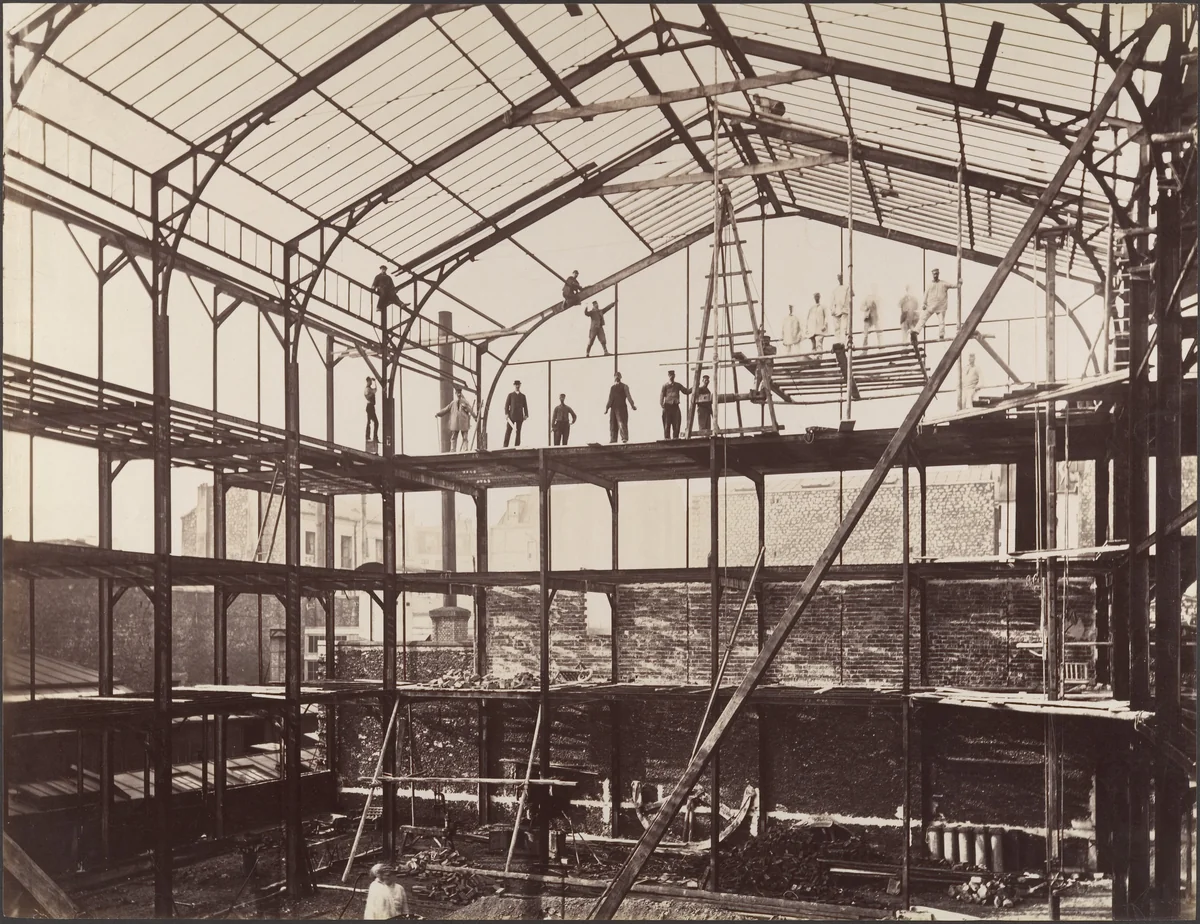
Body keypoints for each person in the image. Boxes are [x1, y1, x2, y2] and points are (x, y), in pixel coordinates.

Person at [919, 268, 959, 340]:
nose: (935, 275)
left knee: (941, 321)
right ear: (932, 274)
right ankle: (916, 331)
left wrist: (959, 283)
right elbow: (926, 294)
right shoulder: (929, 284)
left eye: (936, 274)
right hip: (931, 306)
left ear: (938, 274)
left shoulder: (943, 283)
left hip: (941, 307)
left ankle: (941, 334)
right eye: (934, 274)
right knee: (923, 318)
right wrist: (924, 304)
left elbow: (954, 285)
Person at [434, 385, 476, 452]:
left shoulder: (465, 402)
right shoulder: (453, 403)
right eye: (457, 393)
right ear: (456, 393)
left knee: (465, 437)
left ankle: (465, 450)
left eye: (460, 393)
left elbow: (470, 410)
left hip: (463, 422)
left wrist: (475, 417)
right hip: (455, 423)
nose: (459, 394)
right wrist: (438, 414)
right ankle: (453, 450)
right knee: (453, 437)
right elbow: (446, 409)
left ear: (461, 393)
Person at [604, 372, 637, 444]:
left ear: (620, 377)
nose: (617, 377)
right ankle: (613, 439)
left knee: (621, 423)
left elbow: (628, 396)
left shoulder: (624, 386)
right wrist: (607, 408)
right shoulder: (612, 388)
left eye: (618, 376)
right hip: (613, 408)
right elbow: (610, 399)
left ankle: (624, 438)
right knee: (613, 424)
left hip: (621, 408)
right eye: (616, 376)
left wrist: (632, 405)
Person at [659, 370, 690, 439]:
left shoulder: (678, 385)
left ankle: (675, 438)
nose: (671, 376)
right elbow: (662, 395)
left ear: (674, 376)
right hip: (667, 407)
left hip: (675, 407)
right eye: (670, 375)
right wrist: (661, 403)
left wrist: (694, 387)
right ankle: (667, 439)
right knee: (667, 424)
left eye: (673, 375)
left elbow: (686, 391)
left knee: (677, 423)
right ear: (668, 376)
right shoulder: (665, 386)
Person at [503, 380, 528, 448]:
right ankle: (505, 446)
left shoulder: (523, 396)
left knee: (518, 432)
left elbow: (525, 406)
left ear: (520, 385)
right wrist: (506, 414)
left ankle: (517, 446)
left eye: (518, 385)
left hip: (520, 416)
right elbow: (506, 405)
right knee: (508, 431)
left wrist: (526, 415)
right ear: (514, 385)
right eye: (516, 385)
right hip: (511, 416)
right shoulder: (510, 395)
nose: (517, 386)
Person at [754, 330, 776, 399]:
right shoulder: (760, 347)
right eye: (764, 340)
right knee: (757, 377)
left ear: (769, 341)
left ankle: (763, 390)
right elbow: (760, 352)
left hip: (768, 364)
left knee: (766, 378)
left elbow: (772, 352)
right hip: (760, 364)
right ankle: (755, 390)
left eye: (767, 340)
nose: (765, 341)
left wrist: (763, 349)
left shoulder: (772, 348)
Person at [829, 273, 850, 340]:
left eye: (841, 278)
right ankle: (838, 341)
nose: (840, 279)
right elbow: (832, 300)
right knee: (837, 328)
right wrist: (832, 309)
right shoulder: (835, 290)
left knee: (843, 327)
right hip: (837, 310)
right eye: (839, 278)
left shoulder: (847, 287)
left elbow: (852, 294)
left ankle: (843, 342)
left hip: (844, 310)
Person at [364, 378, 379, 445]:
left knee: (373, 422)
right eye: (370, 381)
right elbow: (367, 396)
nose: (371, 382)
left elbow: (375, 390)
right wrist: (372, 394)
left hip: (371, 406)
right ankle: (369, 436)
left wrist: (375, 382)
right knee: (372, 422)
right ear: (368, 381)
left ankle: (373, 437)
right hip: (370, 406)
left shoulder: (370, 389)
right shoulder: (367, 389)